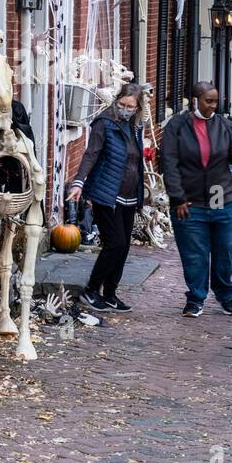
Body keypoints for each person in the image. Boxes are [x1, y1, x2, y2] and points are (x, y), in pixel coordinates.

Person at [159, 82, 232, 318]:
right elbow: (168, 163)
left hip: (220, 196)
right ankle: (195, 298)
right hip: (189, 201)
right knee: (194, 253)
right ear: (195, 100)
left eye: (215, 101)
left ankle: (225, 295)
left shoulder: (224, 124)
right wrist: (178, 197)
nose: (213, 106)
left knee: (225, 249)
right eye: (208, 101)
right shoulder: (177, 126)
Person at [67, 84, 145, 313]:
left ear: (137, 107)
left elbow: (135, 161)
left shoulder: (135, 127)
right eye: (122, 105)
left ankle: (110, 293)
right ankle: (91, 290)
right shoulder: (104, 123)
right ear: (117, 100)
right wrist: (79, 182)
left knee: (124, 247)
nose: (125, 110)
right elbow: (91, 154)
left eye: (131, 107)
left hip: (129, 196)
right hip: (106, 193)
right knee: (115, 243)